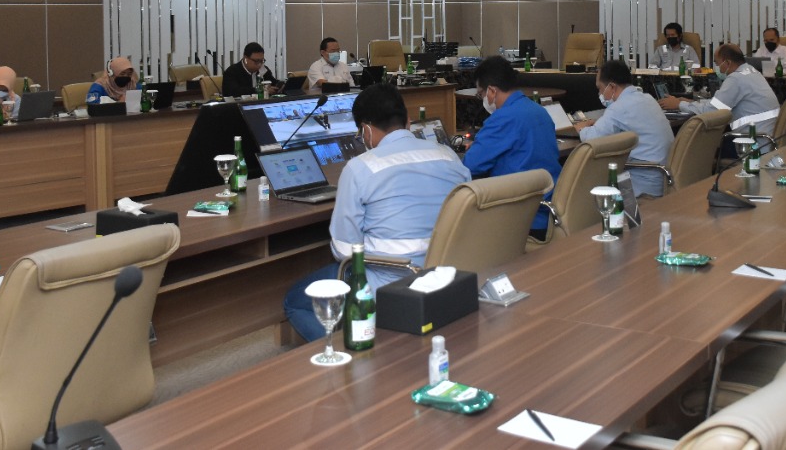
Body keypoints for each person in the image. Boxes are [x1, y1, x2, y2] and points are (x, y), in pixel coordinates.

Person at [282, 84, 469, 341]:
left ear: (366, 130)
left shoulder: (360, 168)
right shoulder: (449, 156)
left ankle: (351, 350)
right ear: (408, 120)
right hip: (448, 272)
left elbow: (345, 251)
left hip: (390, 282)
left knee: (295, 300)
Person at [464, 56, 561, 236]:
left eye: (481, 94)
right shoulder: (540, 111)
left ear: (492, 90)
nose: (482, 99)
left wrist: (476, 147)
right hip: (548, 209)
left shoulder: (502, 119)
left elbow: (470, 165)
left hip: (519, 218)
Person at [575, 60, 674, 197]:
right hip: (663, 177)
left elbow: (592, 139)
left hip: (643, 183)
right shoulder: (647, 98)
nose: (600, 93)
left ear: (612, 87)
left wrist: (581, 128)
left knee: (585, 184)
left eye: (600, 88)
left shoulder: (619, 107)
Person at [659, 43, 781, 138]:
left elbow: (712, 111)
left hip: (751, 142)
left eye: (717, 63)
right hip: (765, 136)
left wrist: (679, 104)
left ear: (727, 62)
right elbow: (719, 103)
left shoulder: (736, 79)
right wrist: (690, 102)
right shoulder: (751, 71)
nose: (717, 68)